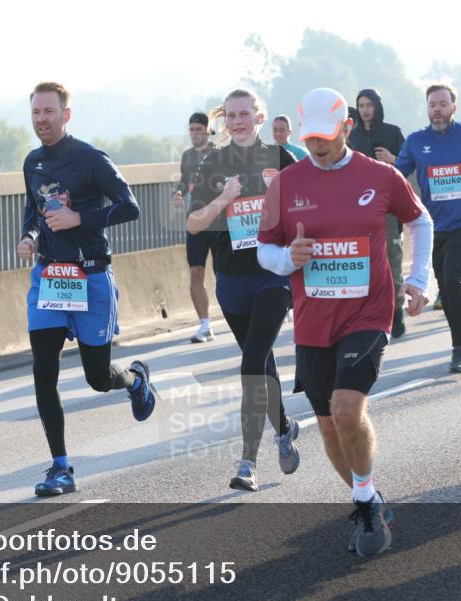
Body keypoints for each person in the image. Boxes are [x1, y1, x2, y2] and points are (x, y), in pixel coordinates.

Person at [258, 87, 433, 556]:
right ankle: (369, 496)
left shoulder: (380, 175)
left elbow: (419, 221)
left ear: (347, 127)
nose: (317, 146)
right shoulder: (286, 183)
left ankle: (365, 507)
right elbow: (264, 249)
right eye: (310, 137)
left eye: (326, 137)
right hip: (314, 320)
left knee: (347, 409)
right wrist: (285, 257)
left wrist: (418, 278)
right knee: (330, 427)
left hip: (369, 311)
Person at [18, 82, 156, 497]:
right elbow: (33, 210)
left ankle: (133, 381)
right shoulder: (33, 162)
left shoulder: (90, 159)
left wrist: (80, 220)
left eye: (49, 112)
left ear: (66, 114)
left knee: (98, 378)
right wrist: (28, 237)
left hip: (90, 277)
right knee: (44, 370)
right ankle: (60, 467)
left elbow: (129, 205)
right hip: (49, 278)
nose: (41, 119)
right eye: (36, 112)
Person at [187, 89, 300, 492]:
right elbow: (195, 224)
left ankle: (248, 462)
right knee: (262, 363)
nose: (237, 121)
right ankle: (284, 426)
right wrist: (224, 198)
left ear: (259, 116)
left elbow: (310, 206)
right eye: (231, 115)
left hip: (273, 276)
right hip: (232, 284)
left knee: (251, 366)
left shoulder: (282, 160)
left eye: (244, 114)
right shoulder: (213, 162)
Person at [396, 83, 461, 373]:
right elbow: (397, 176)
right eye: (432, 104)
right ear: (427, 108)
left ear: (454, 107)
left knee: (453, 281)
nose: (437, 109)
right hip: (432, 227)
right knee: (445, 286)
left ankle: (458, 350)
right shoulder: (416, 141)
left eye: (443, 104)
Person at [347, 88, 410, 338]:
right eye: (361, 105)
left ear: (377, 106)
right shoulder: (351, 135)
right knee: (363, 265)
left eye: (369, 104)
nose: (365, 109)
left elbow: (409, 166)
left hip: (388, 208)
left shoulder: (392, 132)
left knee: (392, 263)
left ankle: (397, 312)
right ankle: (369, 314)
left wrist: (393, 159)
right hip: (357, 210)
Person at [174, 112, 218, 343]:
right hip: (196, 222)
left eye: (198, 129)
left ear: (208, 130)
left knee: (224, 274)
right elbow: (184, 180)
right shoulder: (187, 156)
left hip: (220, 222)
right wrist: (180, 191)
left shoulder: (218, 153)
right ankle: (205, 325)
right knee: (196, 271)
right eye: (191, 129)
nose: (194, 134)